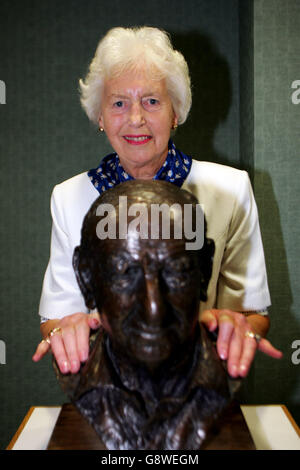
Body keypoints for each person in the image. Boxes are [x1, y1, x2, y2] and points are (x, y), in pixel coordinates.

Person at [32, 26, 282, 379]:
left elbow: (252, 311)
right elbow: (55, 319)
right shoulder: (68, 198)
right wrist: (65, 332)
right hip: (106, 388)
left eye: (151, 101)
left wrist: (238, 328)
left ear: (175, 112)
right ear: (100, 117)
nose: (135, 118)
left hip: (199, 385)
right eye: (119, 103)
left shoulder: (231, 190)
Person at [55, 180, 234, 450]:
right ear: (87, 278)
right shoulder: (80, 373)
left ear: (204, 271)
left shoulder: (227, 365)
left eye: (177, 271)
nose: (154, 309)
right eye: (125, 274)